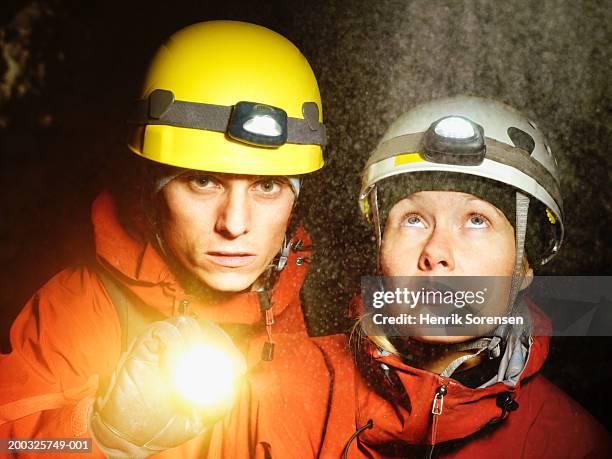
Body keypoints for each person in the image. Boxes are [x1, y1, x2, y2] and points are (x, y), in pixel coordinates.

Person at [0, 20, 343, 458]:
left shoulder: (324, 306)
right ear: (152, 188)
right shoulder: (82, 308)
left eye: (268, 186)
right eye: (203, 181)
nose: (235, 224)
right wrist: (104, 436)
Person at [316, 95, 611, 458]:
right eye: (413, 219)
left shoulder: (574, 446)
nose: (436, 252)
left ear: (524, 265)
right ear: (379, 245)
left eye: (477, 220)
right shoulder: (284, 389)